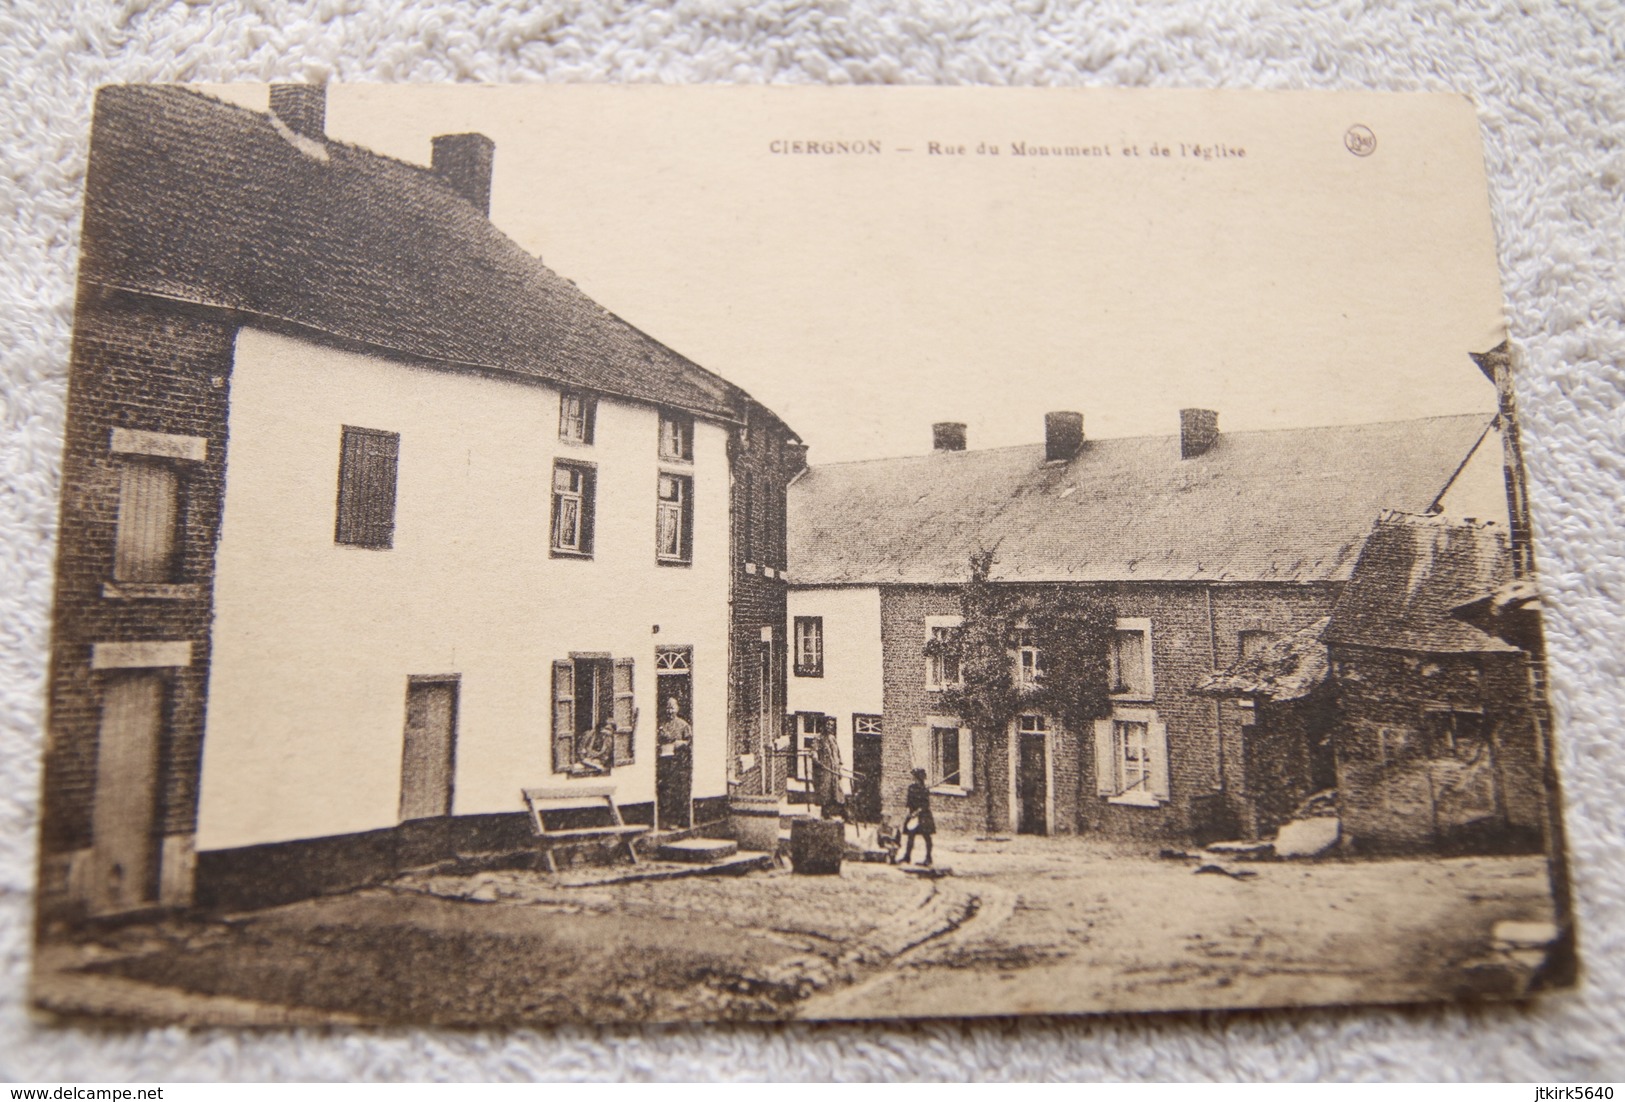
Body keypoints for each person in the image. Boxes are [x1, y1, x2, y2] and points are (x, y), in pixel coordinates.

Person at [656, 697, 693, 829]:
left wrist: (681, 743)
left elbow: (689, 742)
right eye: (668, 708)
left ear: (677, 709)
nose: (670, 711)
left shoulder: (683, 725)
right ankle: (666, 821)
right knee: (666, 790)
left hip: (679, 762)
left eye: (672, 708)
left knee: (678, 791)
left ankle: (678, 820)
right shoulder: (662, 725)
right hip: (665, 760)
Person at [899, 766, 935, 866]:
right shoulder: (911, 788)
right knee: (910, 836)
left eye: (915, 777)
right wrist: (909, 813)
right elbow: (908, 802)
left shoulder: (924, 790)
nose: (913, 779)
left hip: (923, 816)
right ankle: (907, 857)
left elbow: (925, 805)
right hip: (912, 816)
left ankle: (928, 858)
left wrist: (917, 812)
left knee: (927, 837)